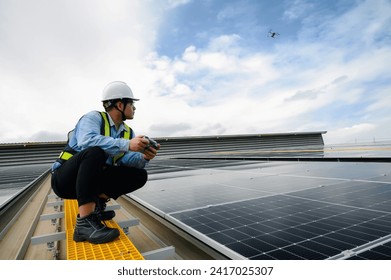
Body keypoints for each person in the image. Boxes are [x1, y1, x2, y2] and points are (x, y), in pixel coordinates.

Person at [51, 81, 159, 244]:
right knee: (95, 151)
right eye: (132, 104)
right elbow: (86, 142)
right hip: (64, 180)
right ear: (120, 104)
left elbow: (125, 160)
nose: (134, 108)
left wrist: (144, 157)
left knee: (139, 175)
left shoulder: (128, 132)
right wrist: (127, 144)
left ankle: (97, 207)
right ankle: (84, 223)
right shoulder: (93, 118)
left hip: (89, 184)